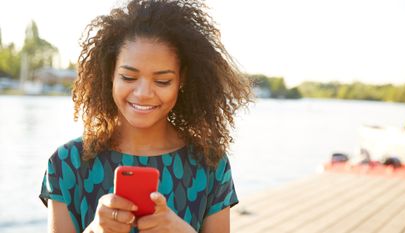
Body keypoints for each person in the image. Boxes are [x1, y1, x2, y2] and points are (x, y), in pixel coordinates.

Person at [39, 0, 252, 232]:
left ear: (182, 80)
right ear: (110, 74)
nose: (142, 94)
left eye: (162, 81)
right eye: (129, 78)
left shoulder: (210, 163)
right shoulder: (67, 163)